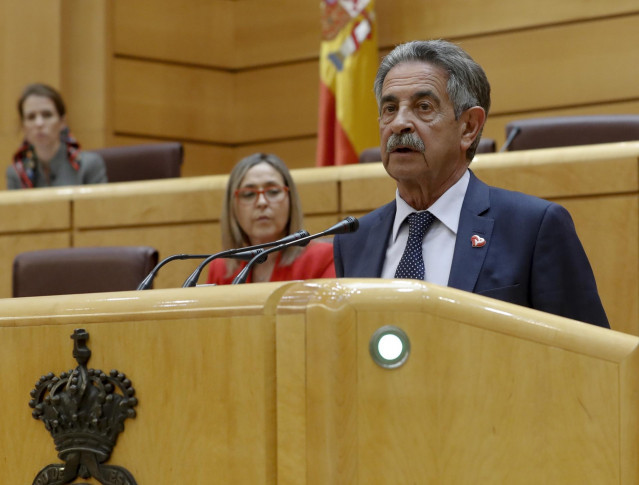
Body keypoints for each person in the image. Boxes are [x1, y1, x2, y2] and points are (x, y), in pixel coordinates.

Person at [333, 40, 609, 328]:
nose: (399, 123)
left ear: (469, 127)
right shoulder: (353, 240)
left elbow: (591, 359)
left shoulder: (534, 228)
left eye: (423, 107)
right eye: (390, 108)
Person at [207, 153, 335, 284]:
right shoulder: (220, 268)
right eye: (249, 194)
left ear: (290, 199)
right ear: (232, 206)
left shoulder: (323, 259)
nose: (262, 202)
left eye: (273, 191)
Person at [7, 83, 107, 189]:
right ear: (23, 126)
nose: (39, 123)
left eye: (47, 115)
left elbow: (101, 205)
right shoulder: (16, 172)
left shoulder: (88, 165)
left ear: (62, 122)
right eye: (31, 117)